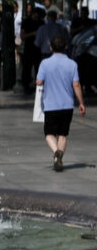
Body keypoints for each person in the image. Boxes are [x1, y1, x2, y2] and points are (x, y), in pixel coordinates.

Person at [36, 36, 86, 172]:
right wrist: (81, 102)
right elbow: (76, 84)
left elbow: (39, 82)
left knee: (49, 134)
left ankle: (56, 152)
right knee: (63, 134)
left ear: (51, 48)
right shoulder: (72, 64)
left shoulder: (45, 63)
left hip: (51, 105)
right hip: (67, 105)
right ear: (65, 47)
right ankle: (59, 155)